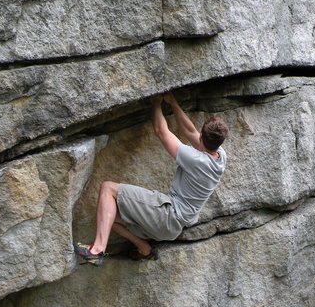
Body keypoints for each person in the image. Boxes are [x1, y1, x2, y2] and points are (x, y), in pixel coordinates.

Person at [73, 92, 228, 266]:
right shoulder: (220, 156)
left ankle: (97, 250)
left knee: (108, 189)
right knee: (108, 218)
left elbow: (161, 131)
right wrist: (173, 102)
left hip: (168, 216)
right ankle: (144, 248)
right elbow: (190, 130)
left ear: (202, 137)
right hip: (172, 229)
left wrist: (156, 102)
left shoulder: (196, 160)